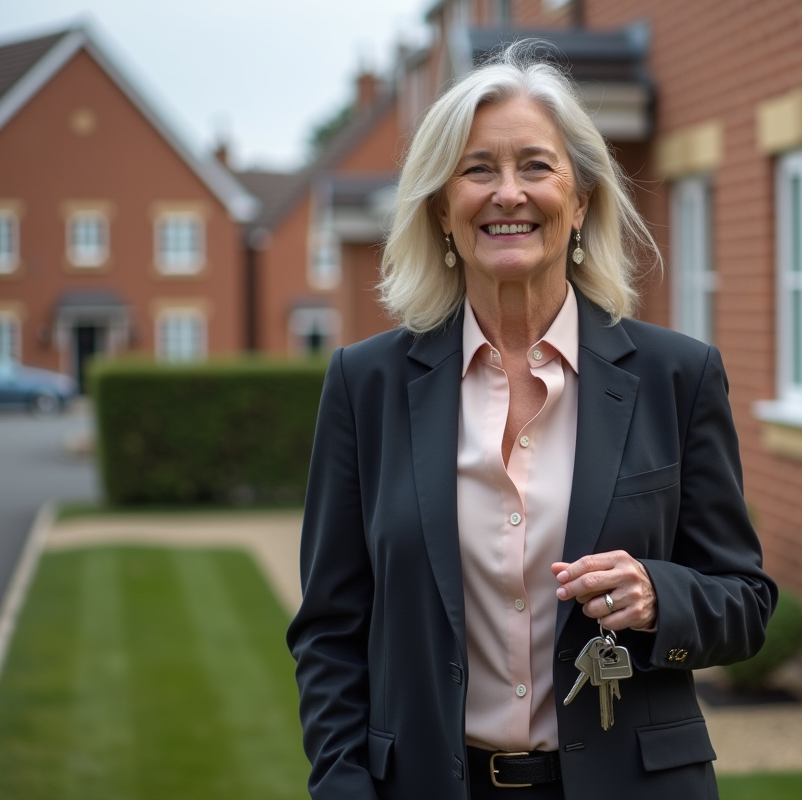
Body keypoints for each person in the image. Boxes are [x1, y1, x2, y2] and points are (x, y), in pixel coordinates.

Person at [286, 42, 777, 800]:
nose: (507, 192)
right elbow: (329, 630)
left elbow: (744, 603)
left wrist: (658, 594)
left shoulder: (676, 376)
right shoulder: (365, 385)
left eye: (536, 166)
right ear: (441, 210)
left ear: (580, 200)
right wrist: (343, 787)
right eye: (478, 169)